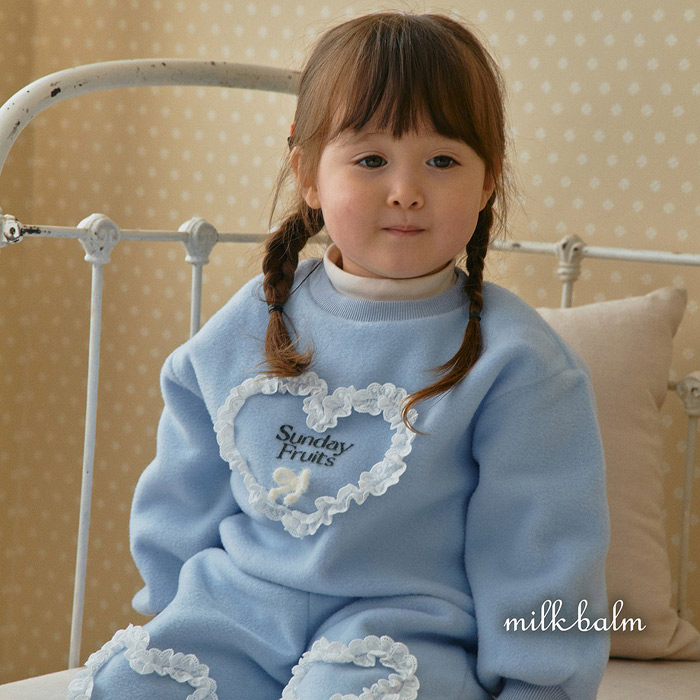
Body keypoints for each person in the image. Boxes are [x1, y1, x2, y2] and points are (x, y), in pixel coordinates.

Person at [68, 11, 610, 700]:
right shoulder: (254, 318)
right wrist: (173, 606)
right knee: (127, 684)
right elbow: (185, 483)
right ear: (309, 175)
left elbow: (543, 546)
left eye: (443, 161)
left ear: (488, 181)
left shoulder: (519, 363)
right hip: (238, 610)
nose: (406, 190)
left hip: (409, 628)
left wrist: (540, 685)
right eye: (371, 159)